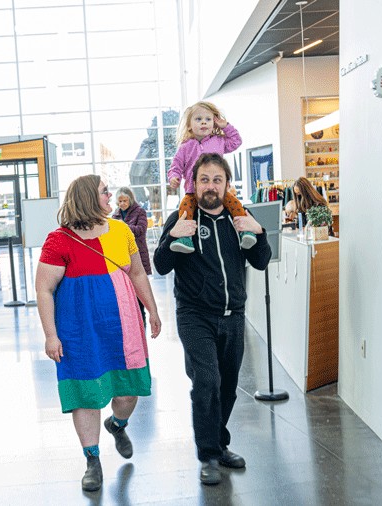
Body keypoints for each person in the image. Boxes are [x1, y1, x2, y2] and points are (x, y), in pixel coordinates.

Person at [36, 175, 162, 492]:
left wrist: (154, 309)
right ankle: (92, 460)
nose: (110, 196)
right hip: (78, 331)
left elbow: (136, 272)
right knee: (86, 395)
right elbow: (44, 290)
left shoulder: (121, 231)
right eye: (104, 191)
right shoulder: (59, 240)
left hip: (123, 326)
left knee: (127, 392)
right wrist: (51, 335)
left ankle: (117, 424)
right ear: (87, 198)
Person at [153, 153, 271, 486]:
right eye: (204, 179)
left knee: (229, 388)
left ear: (227, 185)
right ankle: (207, 455)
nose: (210, 186)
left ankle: (218, 444)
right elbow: (160, 266)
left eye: (217, 180)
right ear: (194, 183)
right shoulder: (182, 218)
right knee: (206, 382)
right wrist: (173, 236)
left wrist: (259, 231)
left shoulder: (240, 218)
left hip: (234, 317)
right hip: (194, 316)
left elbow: (262, 261)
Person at [168, 101, 254, 254]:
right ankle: (185, 238)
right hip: (191, 191)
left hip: (217, 192)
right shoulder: (185, 147)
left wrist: (225, 126)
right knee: (185, 210)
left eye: (208, 119)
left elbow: (236, 142)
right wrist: (174, 177)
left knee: (235, 204)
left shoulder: (219, 141)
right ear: (189, 125)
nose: (203, 122)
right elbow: (176, 165)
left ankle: (245, 231)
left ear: (213, 123)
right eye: (198, 119)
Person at [111, 187, 152, 324]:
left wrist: (124, 227)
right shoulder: (115, 215)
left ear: (130, 199)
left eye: (125, 200)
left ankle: (142, 322)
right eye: (120, 201)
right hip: (122, 258)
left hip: (138, 254)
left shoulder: (140, 211)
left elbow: (141, 230)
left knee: (140, 293)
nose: (122, 203)